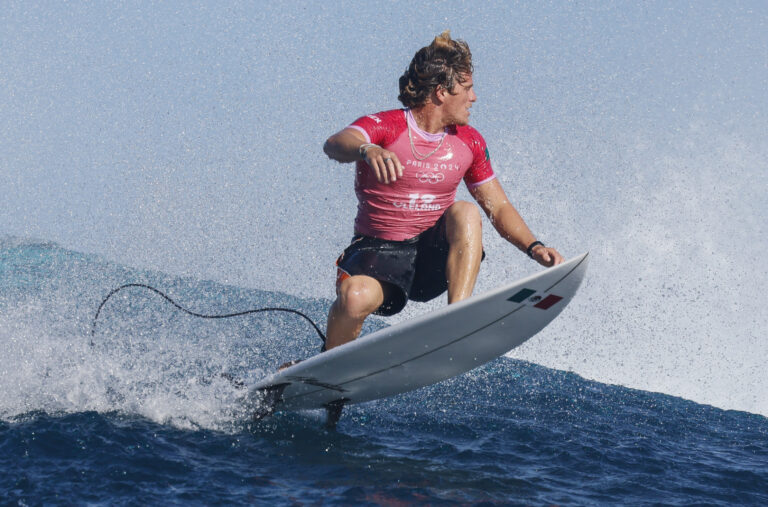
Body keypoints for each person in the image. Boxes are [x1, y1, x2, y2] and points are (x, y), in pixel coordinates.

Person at [323, 30, 564, 352]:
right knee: (354, 298)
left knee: (465, 211)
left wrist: (534, 247)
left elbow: (499, 207)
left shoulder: (469, 141)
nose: (474, 97)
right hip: (379, 254)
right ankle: (330, 362)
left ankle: (456, 318)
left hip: (433, 256)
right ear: (440, 93)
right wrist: (368, 150)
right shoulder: (387, 125)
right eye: (467, 88)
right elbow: (335, 144)